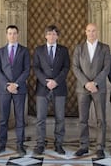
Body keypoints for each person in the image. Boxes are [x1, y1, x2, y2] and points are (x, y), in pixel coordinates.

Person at [72, 23, 111, 158]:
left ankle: (100, 147)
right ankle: (83, 145)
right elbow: (75, 67)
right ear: (85, 32)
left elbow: (106, 68)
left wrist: (94, 83)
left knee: (101, 119)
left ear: (97, 32)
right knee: (83, 119)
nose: (91, 33)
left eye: (94, 31)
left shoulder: (105, 48)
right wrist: (86, 83)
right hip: (83, 89)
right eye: (89, 31)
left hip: (98, 88)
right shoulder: (79, 48)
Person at [0, 25, 30, 157]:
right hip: (4, 90)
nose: (12, 36)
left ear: (18, 35)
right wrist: (7, 85)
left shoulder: (24, 51)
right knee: (3, 119)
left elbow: (27, 70)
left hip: (19, 90)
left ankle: (20, 145)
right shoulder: (0, 51)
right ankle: (1, 144)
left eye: (14, 33)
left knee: (20, 118)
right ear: (6, 35)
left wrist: (16, 84)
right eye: (10, 33)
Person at [33, 25, 70, 155]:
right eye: (49, 34)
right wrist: (45, 81)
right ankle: (40, 144)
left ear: (57, 36)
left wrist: (56, 81)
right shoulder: (38, 50)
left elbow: (66, 68)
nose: (52, 36)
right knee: (40, 118)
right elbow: (36, 68)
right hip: (43, 89)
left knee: (60, 118)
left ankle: (59, 144)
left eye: (54, 34)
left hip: (59, 88)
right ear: (45, 35)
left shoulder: (64, 50)